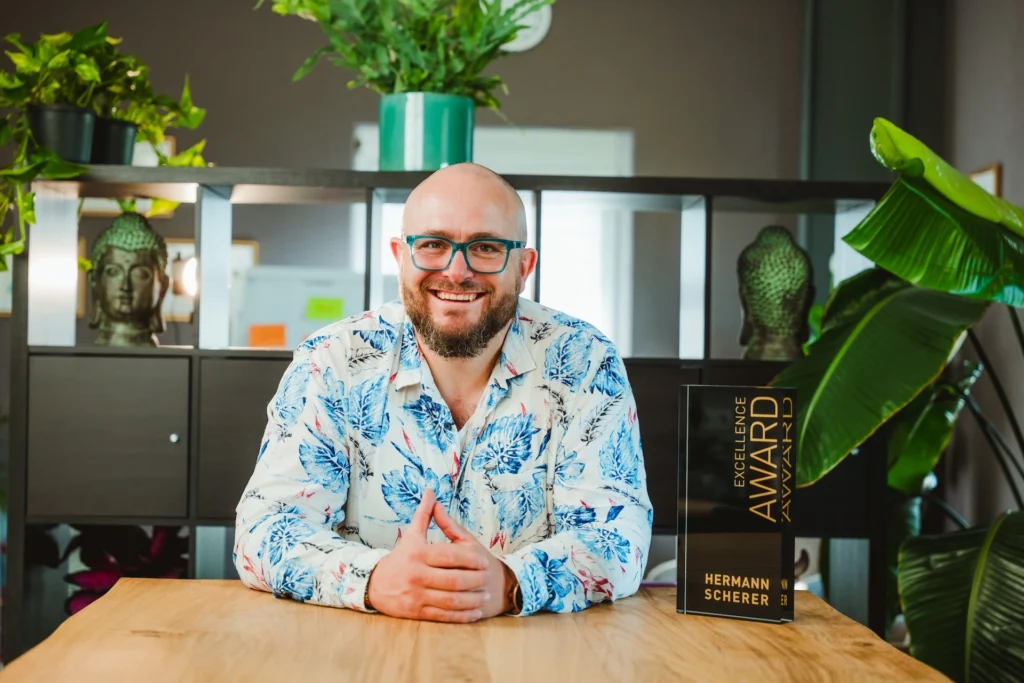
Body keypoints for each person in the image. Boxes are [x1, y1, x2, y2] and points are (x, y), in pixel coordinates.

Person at [233, 162, 653, 622]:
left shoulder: (585, 361)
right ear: (400, 256)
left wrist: (509, 582)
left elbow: (618, 536)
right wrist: (374, 580)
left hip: (529, 651)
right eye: (433, 244)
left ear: (524, 266)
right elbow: (265, 528)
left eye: (486, 247)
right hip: (362, 649)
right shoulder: (332, 359)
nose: (456, 271)